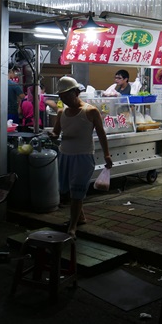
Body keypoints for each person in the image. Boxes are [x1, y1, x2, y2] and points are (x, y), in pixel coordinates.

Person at [49, 76, 112, 239]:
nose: (63, 99)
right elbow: (56, 132)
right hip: (65, 154)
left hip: (83, 156)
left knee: (77, 190)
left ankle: (73, 226)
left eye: (66, 95)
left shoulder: (90, 111)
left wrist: (107, 154)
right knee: (70, 190)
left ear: (76, 92)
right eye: (61, 96)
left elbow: (101, 134)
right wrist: (52, 135)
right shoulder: (62, 112)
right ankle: (80, 217)